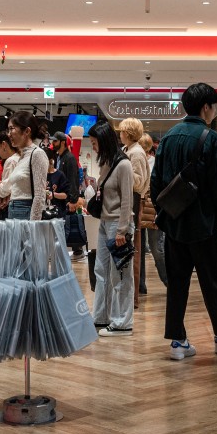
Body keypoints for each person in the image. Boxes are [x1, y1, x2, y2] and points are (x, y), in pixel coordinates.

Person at [149, 82, 217, 360]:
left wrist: (165, 213)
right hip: (205, 226)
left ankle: (178, 342)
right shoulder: (212, 139)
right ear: (206, 107)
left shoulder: (167, 138)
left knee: (177, 283)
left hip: (174, 224)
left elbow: (156, 184)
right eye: (213, 106)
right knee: (213, 281)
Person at [89, 121, 134, 336]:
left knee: (121, 274)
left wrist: (122, 231)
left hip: (118, 224)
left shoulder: (123, 165)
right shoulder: (106, 163)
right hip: (105, 222)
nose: (93, 147)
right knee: (101, 271)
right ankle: (101, 316)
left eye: (95, 143)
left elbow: (127, 200)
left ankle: (123, 322)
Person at [0, 111, 48, 222]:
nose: (8, 134)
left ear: (27, 131)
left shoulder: (37, 154)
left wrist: (34, 226)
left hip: (26, 213)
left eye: (12, 129)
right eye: (8, 129)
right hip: (15, 212)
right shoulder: (22, 156)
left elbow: (39, 195)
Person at [117, 118, 149, 299]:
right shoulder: (127, 150)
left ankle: (132, 295)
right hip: (128, 200)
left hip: (134, 201)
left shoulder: (136, 153)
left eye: (122, 131)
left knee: (133, 247)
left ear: (128, 133)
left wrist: (123, 173)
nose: (120, 134)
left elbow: (138, 182)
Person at [49, 131, 82, 256]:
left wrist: (73, 200)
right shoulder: (59, 157)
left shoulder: (70, 158)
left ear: (62, 142)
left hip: (67, 199)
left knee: (67, 226)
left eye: (55, 141)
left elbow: (72, 180)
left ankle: (76, 248)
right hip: (60, 200)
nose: (53, 143)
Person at [140, 132, 167, 285]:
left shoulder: (156, 163)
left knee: (157, 249)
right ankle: (140, 285)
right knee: (139, 251)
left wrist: (160, 212)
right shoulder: (133, 160)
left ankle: (169, 281)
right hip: (139, 208)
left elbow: (162, 188)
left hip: (153, 209)